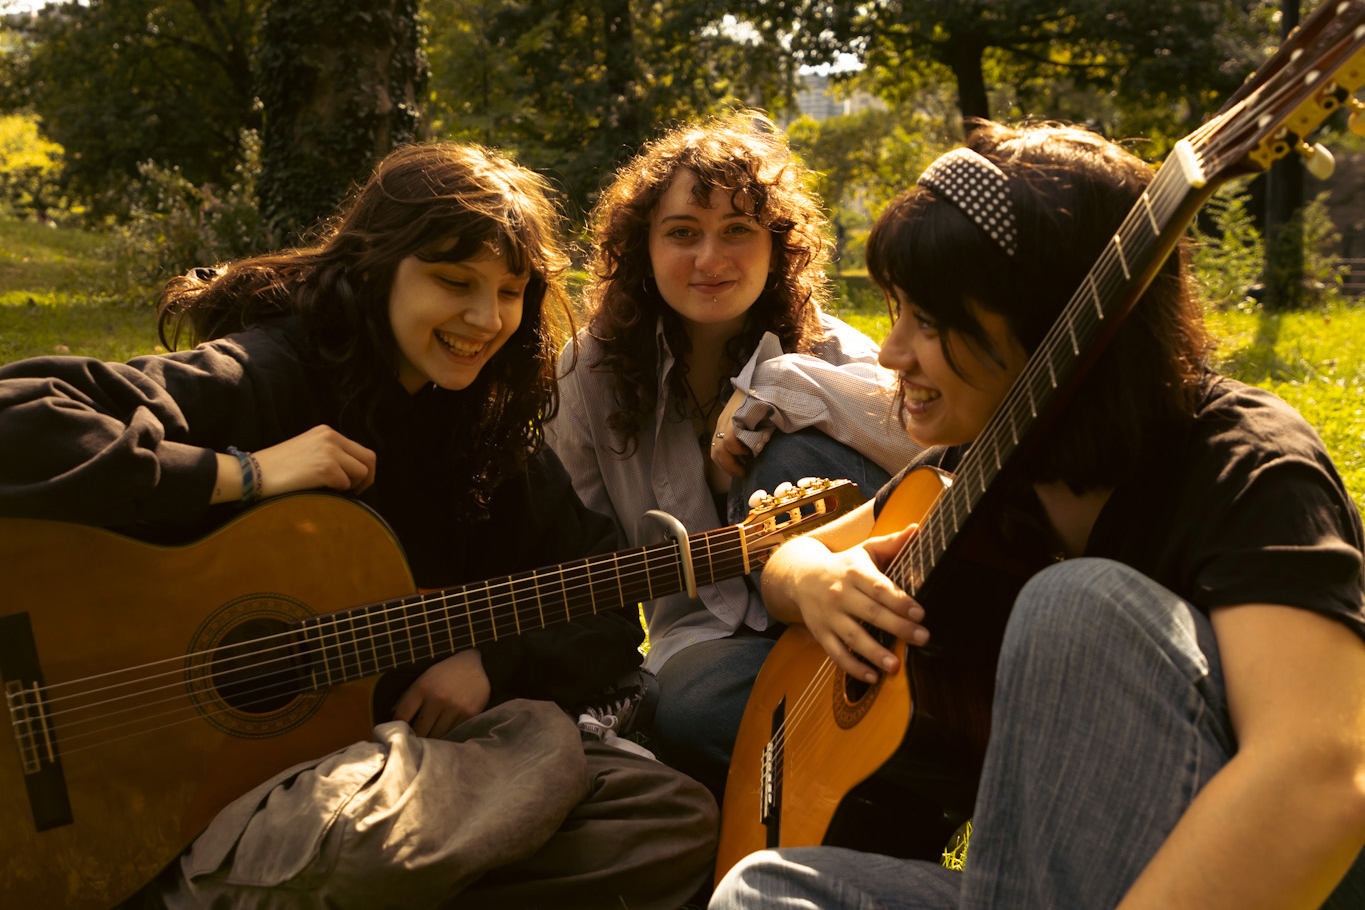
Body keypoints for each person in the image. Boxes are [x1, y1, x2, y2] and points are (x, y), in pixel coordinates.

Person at [0, 142, 717, 909]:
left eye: (510, 292)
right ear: (380, 267)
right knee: (382, 844)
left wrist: (494, 662)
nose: (485, 319)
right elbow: (19, 413)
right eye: (453, 282)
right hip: (221, 792)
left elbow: (603, 596)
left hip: (387, 771)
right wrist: (244, 473)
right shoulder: (271, 373)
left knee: (669, 820)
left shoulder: (483, 432)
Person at [710, 121, 1365, 909]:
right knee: (765, 891)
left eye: (930, 321)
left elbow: (1321, 772)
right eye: (898, 311)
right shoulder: (991, 465)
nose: (889, 352)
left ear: (1051, 326)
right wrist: (816, 577)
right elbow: (785, 564)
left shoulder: (1246, 465)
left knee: (1072, 605)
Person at [545, 111, 922, 799]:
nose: (709, 260)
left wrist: (778, 388)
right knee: (688, 708)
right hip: (710, 647)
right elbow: (578, 553)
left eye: (738, 231)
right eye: (682, 233)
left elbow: (932, 452)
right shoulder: (588, 373)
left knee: (796, 451)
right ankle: (870, 796)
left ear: (777, 247)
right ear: (643, 248)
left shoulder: (832, 353)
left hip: (858, 609)